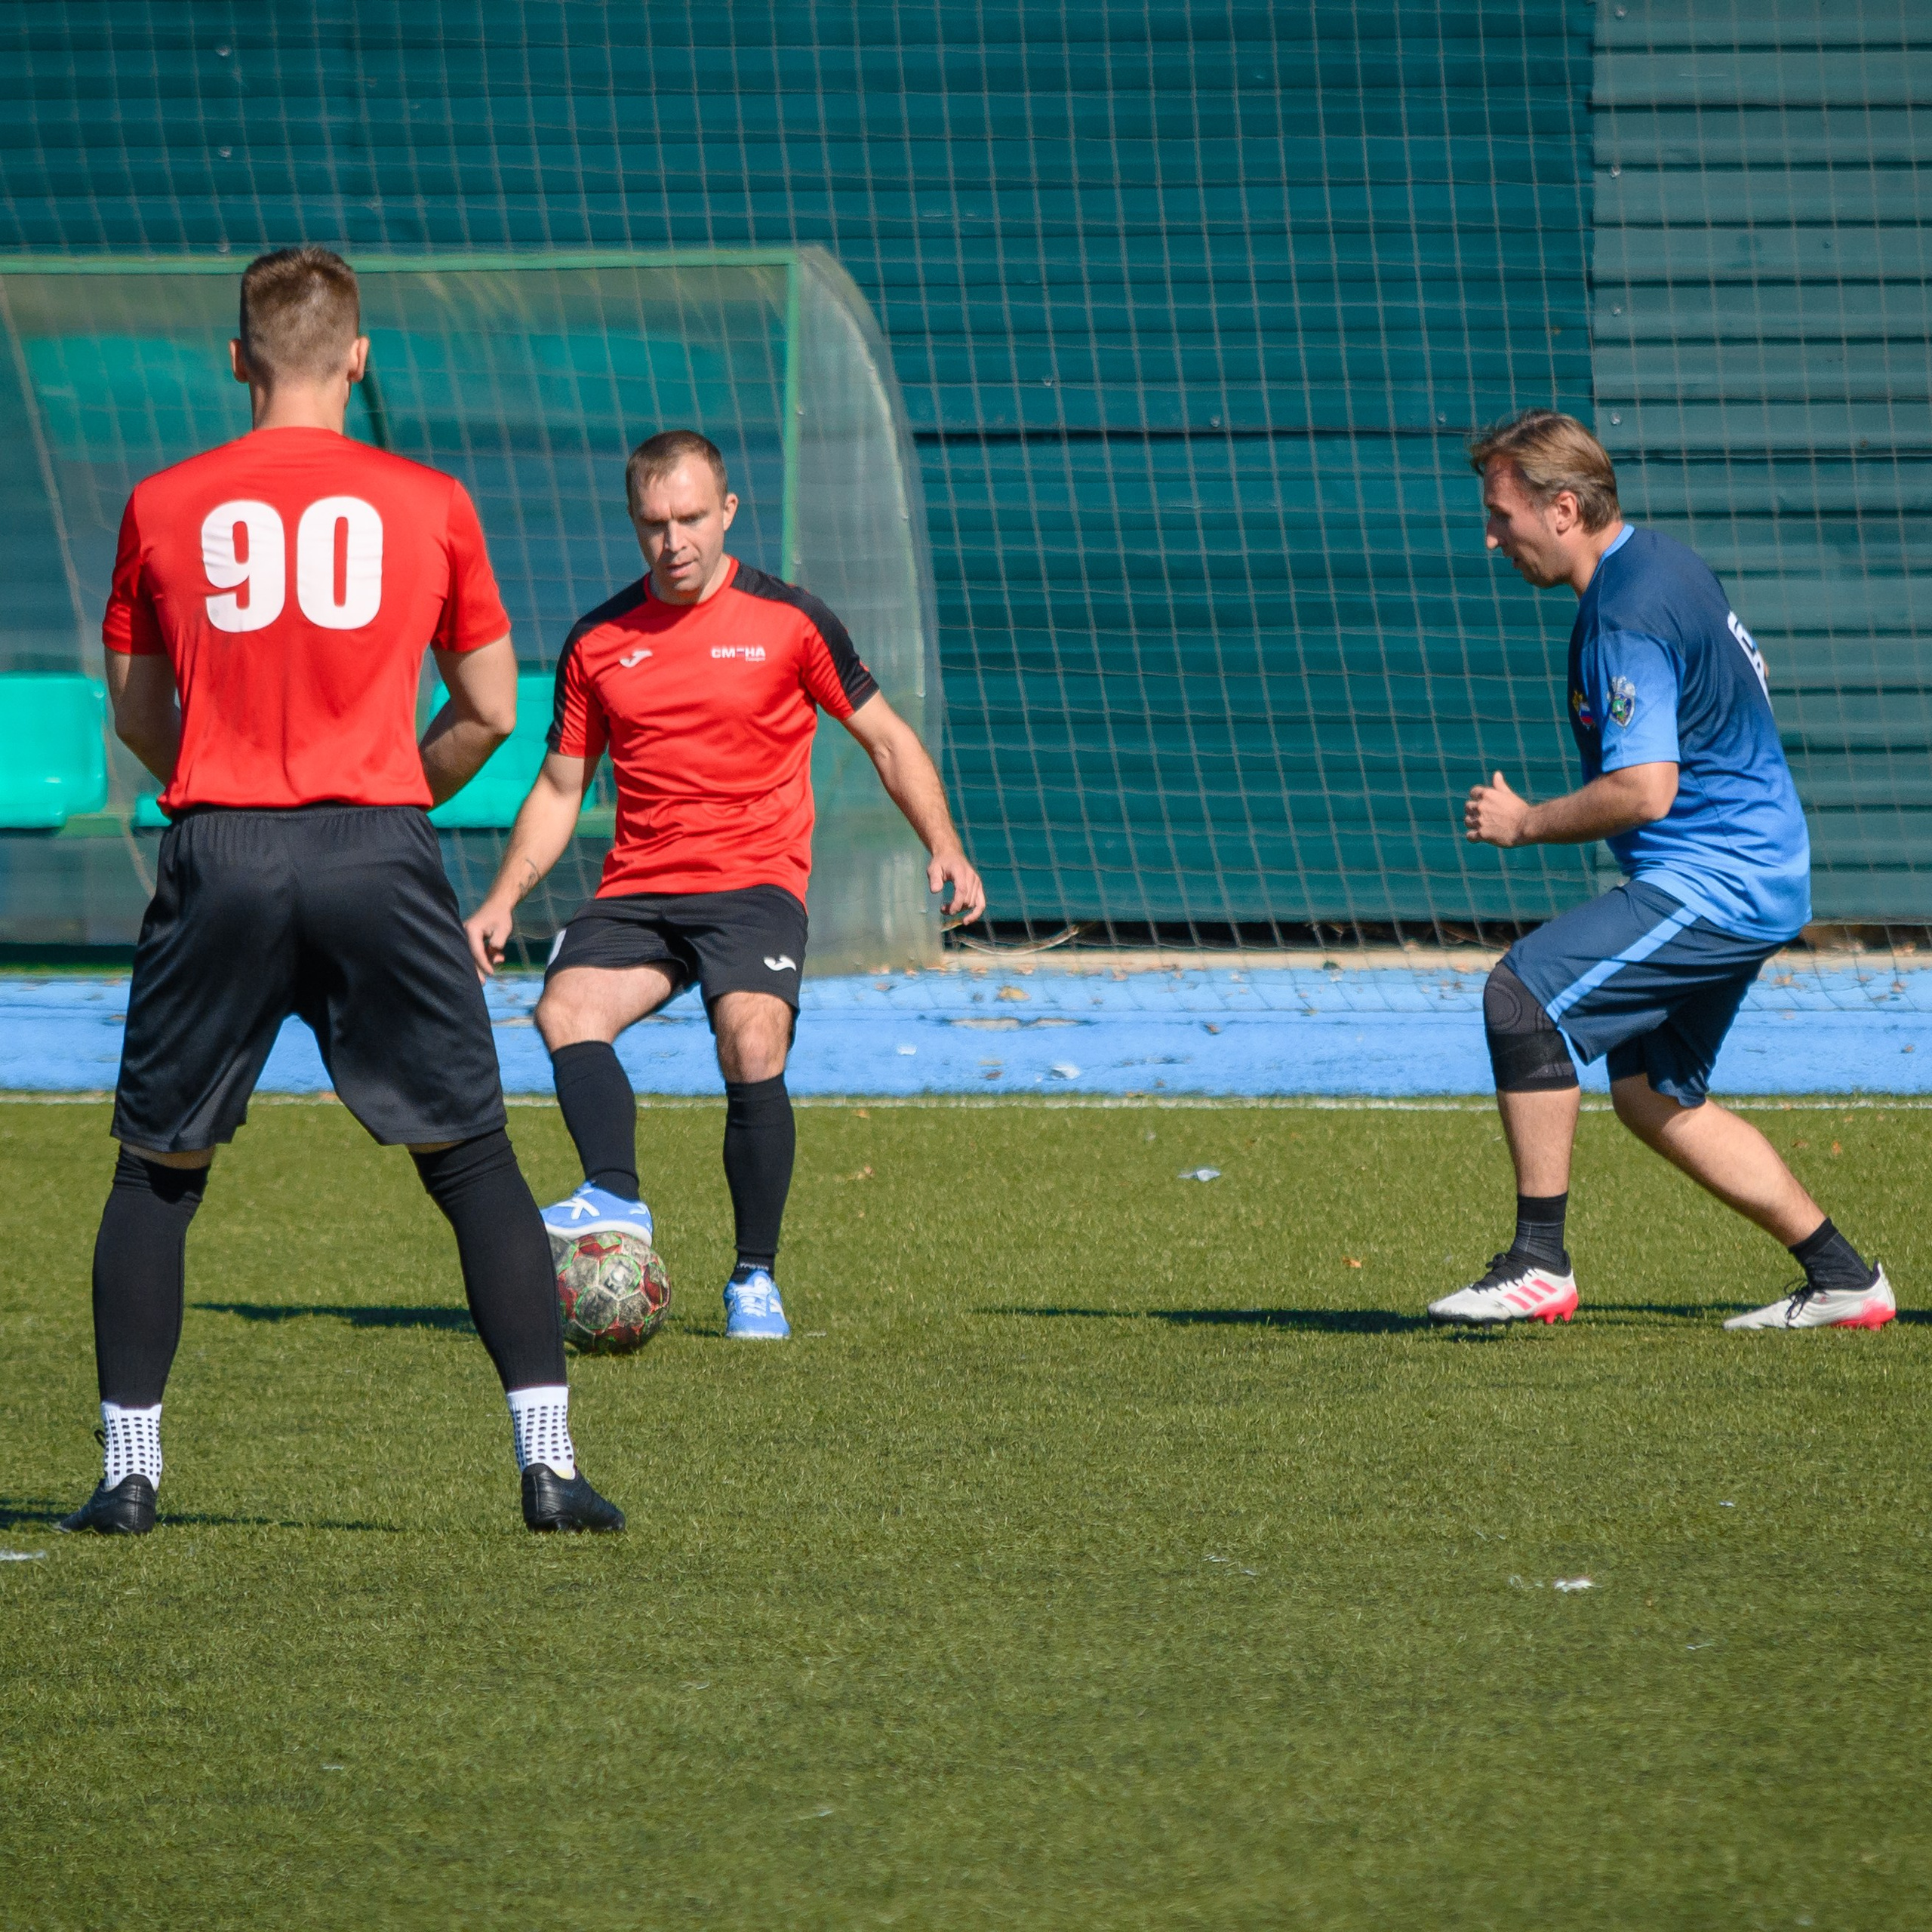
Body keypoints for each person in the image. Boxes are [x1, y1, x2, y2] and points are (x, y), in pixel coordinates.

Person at [61, 246, 623, 1536]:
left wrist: (225, 772)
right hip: (378, 847)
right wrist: (385, 789)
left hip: (223, 848)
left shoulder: (161, 504)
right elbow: (489, 710)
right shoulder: (429, 500)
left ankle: (127, 1479)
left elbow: (141, 713)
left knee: (159, 1169)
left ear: (238, 358)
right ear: (359, 358)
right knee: (472, 1158)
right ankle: (548, 1469)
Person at [463, 429, 983, 1339]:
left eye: (692, 518)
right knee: (564, 1010)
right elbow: (558, 786)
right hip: (639, 888)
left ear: (728, 511)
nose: (675, 541)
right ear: (634, 522)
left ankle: (752, 1277)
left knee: (752, 1040)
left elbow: (888, 739)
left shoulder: (791, 620)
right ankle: (616, 1201)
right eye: (655, 523)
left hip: (753, 883)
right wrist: (504, 896)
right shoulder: (599, 639)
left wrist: (942, 843)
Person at [1433, 408, 1892, 1333]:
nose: (1492, 537)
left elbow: (1644, 788)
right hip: (1757, 870)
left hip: (1717, 880)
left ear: (1562, 508)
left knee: (1520, 998)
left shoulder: (1624, 611)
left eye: (1501, 514)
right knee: (1652, 1096)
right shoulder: (1663, 562)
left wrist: (1524, 823)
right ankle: (1844, 1277)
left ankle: (1537, 1263)